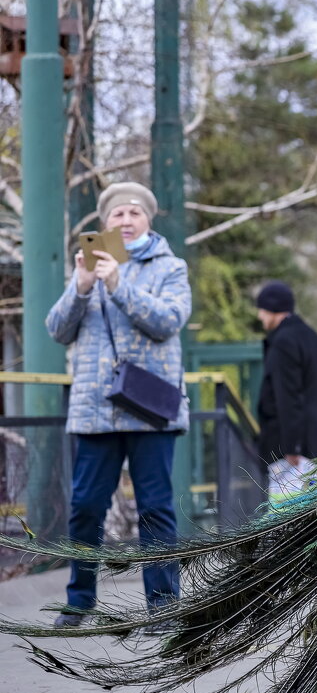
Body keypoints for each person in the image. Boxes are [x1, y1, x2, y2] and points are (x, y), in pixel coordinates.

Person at [46, 181, 191, 627]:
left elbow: (168, 321)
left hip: (149, 410)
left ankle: (163, 608)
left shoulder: (172, 267)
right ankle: (79, 601)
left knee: (155, 508)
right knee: (86, 506)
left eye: (134, 214)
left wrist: (118, 283)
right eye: (116, 215)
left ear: (148, 220)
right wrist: (83, 287)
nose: (125, 221)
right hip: (95, 409)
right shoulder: (87, 267)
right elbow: (57, 329)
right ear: (105, 222)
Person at [255, 281, 317, 506]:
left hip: (292, 448)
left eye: (261, 310)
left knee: (285, 512)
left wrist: (291, 447)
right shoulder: (312, 336)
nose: (259, 317)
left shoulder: (283, 341)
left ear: (270, 309)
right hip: (315, 439)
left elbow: (288, 396)